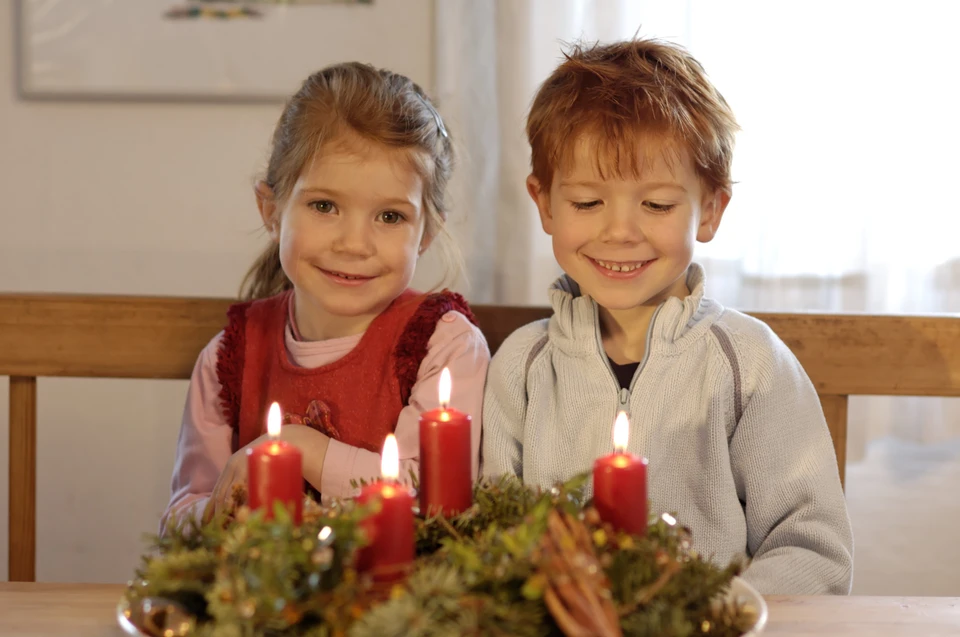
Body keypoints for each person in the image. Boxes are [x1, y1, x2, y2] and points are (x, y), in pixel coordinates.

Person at [481, 39, 853, 595]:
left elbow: (812, 549)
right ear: (545, 205)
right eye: (587, 203)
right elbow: (494, 539)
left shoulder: (749, 363)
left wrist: (710, 617)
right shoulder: (522, 366)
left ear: (709, 210)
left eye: (656, 205)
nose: (620, 232)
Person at [163, 62, 489, 532]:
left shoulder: (446, 347)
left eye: (391, 217)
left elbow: (434, 497)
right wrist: (221, 514)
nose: (354, 243)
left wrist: (303, 450)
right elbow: (181, 514)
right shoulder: (228, 360)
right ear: (271, 211)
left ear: (426, 233)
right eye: (324, 206)